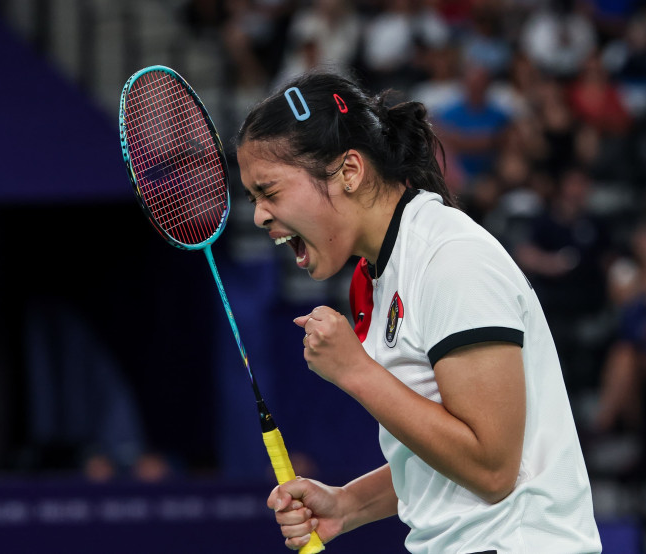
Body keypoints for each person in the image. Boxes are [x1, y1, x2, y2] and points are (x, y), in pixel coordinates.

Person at [235, 71, 601, 553]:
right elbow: (445, 452)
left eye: (270, 191)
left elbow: (491, 469)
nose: (260, 215)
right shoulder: (381, 274)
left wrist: (355, 372)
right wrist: (348, 504)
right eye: (253, 198)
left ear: (349, 171)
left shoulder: (450, 259)